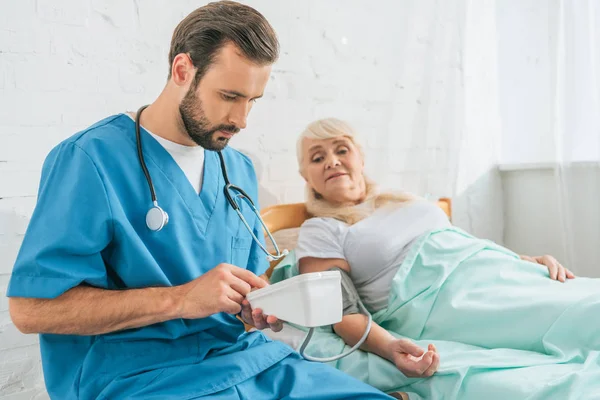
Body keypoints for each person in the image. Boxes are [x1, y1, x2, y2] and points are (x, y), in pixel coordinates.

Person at [6, 3, 403, 399]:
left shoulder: (238, 169)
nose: (242, 119)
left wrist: (255, 304)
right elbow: (31, 311)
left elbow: (244, 288)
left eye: (252, 100)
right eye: (229, 96)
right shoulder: (90, 159)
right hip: (138, 378)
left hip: (244, 359)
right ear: (183, 70)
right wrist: (180, 299)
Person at [288, 117, 600, 398]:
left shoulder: (399, 199)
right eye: (318, 158)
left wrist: (524, 259)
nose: (332, 162)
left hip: (497, 270)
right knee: (586, 316)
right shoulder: (321, 229)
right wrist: (390, 347)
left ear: (360, 158)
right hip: (448, 301)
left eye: (341, 150)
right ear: (306, 177)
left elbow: (456, 243)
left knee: (588, 301)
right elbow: (341, 311)